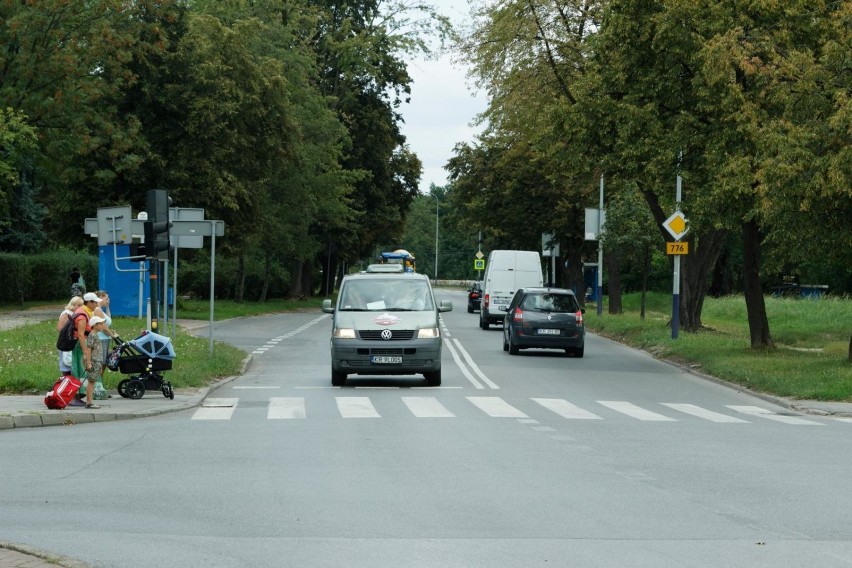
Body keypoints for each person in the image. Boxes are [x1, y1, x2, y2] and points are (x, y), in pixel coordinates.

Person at [71, 292, 101, 407]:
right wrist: (85, 353)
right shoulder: (82, 315)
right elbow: (80, 335)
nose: (96, 305)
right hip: (80, 345)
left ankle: (81, 396)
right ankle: (76, 397)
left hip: (82, 344)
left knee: (82, 371)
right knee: (80, 370)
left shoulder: (84, 312)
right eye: (95, 303)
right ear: (89, 303)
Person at [83, 315, 108, 409]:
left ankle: (90, 401)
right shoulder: (92, 335)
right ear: (95, 325)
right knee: (91, 381)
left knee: (93, 381)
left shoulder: (96, 335)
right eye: (100, 324)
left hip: (97, 361)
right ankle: (89, 402)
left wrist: (100, 365)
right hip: (93, 361)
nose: (102, 326)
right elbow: (89, 350)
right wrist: (88, 362)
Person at [57, 296, 84, 376]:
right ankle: (66, 382)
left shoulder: (75, 314)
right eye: (78, 305)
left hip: (73, 342)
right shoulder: (66, 314)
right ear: (73, 305)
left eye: (81, 305)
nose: (80, 307)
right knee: (66, 364)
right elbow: (60, 328)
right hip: (66, 342)